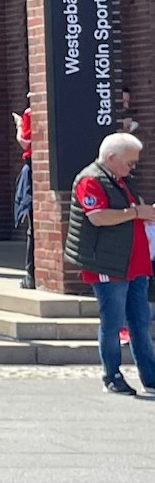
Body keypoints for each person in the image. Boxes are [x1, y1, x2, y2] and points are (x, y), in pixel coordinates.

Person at [67, 131, 155, 396]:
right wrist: (137, 213)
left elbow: (131, 211)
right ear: (112, 157)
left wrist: (144, 213)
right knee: (113, 321)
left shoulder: (122, 180)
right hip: (108, 263)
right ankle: (112, 375)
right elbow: (98, 217)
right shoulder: (90, 180)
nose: (132, 167)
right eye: (129, 162)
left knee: (140, 322)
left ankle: (150, 376)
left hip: (134, 262)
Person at [16, 106, 35, 288]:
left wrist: (19, 126)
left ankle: (31, 274)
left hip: (32, 167)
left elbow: (25, 141)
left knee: (32, 227)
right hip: (36, 167)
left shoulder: (30, 113)